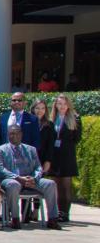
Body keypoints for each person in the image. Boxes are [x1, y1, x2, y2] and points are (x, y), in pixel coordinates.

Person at [0, 124, 61, 230]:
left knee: (50, 184)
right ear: (8, 135)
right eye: (11, 134)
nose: (14, 136)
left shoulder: (31, 149)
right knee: (13, 185)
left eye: (17, 133)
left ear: (21, 134)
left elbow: (38, 167)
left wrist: (34, 178)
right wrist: (17, 178)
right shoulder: (0, 150)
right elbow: (1, 169)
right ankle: (15, 219)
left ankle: (53, 219)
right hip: (11, 180)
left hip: (30, 180)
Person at [49, 93, 81, 223]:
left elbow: (77, 138)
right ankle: (57, 212)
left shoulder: (75, 118)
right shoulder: (52, 118)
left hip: (67, 155)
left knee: (66, 186)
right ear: (56, 105)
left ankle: (65, 213)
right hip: (54, 156)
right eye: (59, 104)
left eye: (64, 104)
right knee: (56, 186)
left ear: (68, 105)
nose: (62, 106)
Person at [32, 97, 55, 171]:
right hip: (28, 159)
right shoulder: (27, 122)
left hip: (43, 158)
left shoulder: (49, 125)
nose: (40, 111)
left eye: (43, 108)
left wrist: (48, 161)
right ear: (33, 109)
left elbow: (50, 144)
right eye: (37, 108)